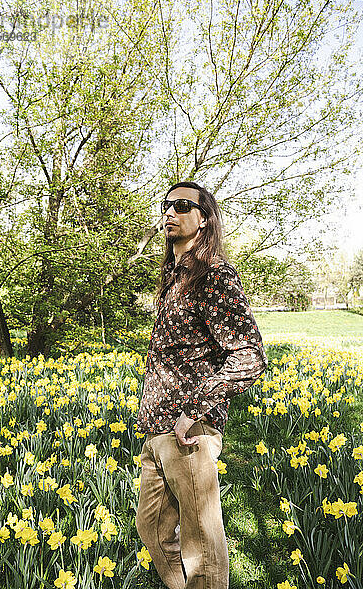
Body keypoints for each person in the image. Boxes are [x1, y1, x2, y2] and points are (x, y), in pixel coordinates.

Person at [135, 181, 268, 589]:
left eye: (181, 205)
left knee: (202, 549)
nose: (169, 212)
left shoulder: (214, 274)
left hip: (189, 430)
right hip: (157, 428)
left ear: (204, 218)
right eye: (166, 205)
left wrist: (193, 411)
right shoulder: (174, 279)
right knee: (152, 531)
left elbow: (249, 354)